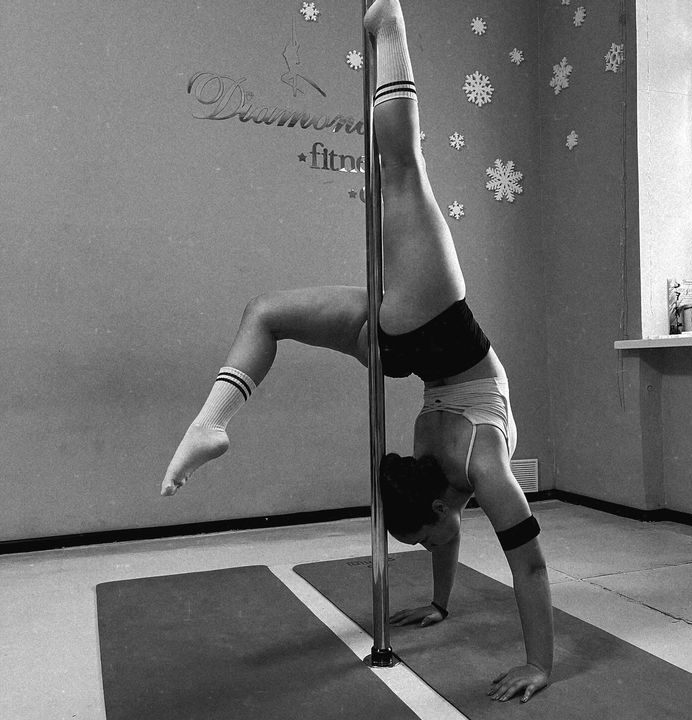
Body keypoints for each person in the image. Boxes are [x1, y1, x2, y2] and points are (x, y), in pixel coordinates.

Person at [161, 0, 553, 705]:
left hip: (418, 339)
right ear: (438, 503)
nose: (435, 541)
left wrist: (440, 605)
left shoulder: (449, 466)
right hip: (423, 334)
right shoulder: (479, 467)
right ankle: (389, 23)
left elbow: (448, 534)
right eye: (426, 537)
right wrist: (540, 664)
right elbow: (529, 566)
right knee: (398, 167)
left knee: (270, 308)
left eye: (424, 537)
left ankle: (212, 420)